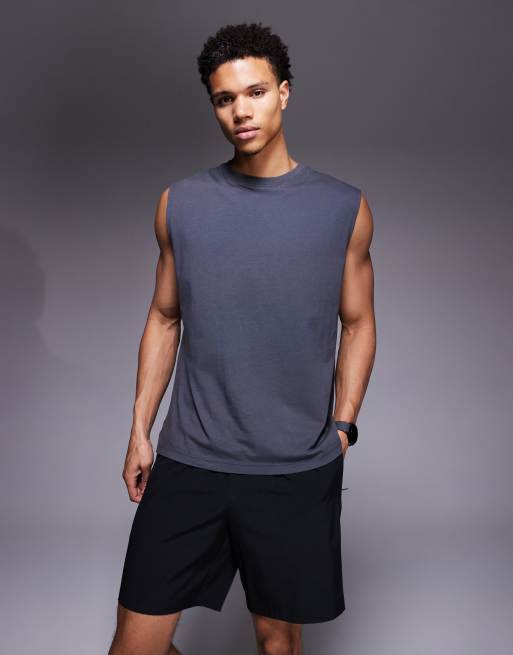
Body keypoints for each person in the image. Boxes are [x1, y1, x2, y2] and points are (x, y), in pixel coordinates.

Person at [108, 21, 376, 655]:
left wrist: (343, 426)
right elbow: (164, 316)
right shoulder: (180, 203)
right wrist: (140, 430)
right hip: (191, 460)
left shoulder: (343, 207)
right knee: (135, 647)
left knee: (277, 645)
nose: (241, 112)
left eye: (255, 93)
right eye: (224, 99)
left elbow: (359, 321)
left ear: (284, 93)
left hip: (293, 470)